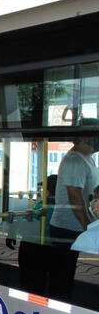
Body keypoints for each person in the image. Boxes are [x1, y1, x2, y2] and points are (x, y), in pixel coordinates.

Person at [48, 117, 99, 299]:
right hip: (69, 229)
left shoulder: (88, 158)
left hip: (81, 228)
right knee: (66, 277)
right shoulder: (74, 160)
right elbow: (74, 197)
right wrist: (87, 227)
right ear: (86, 137)